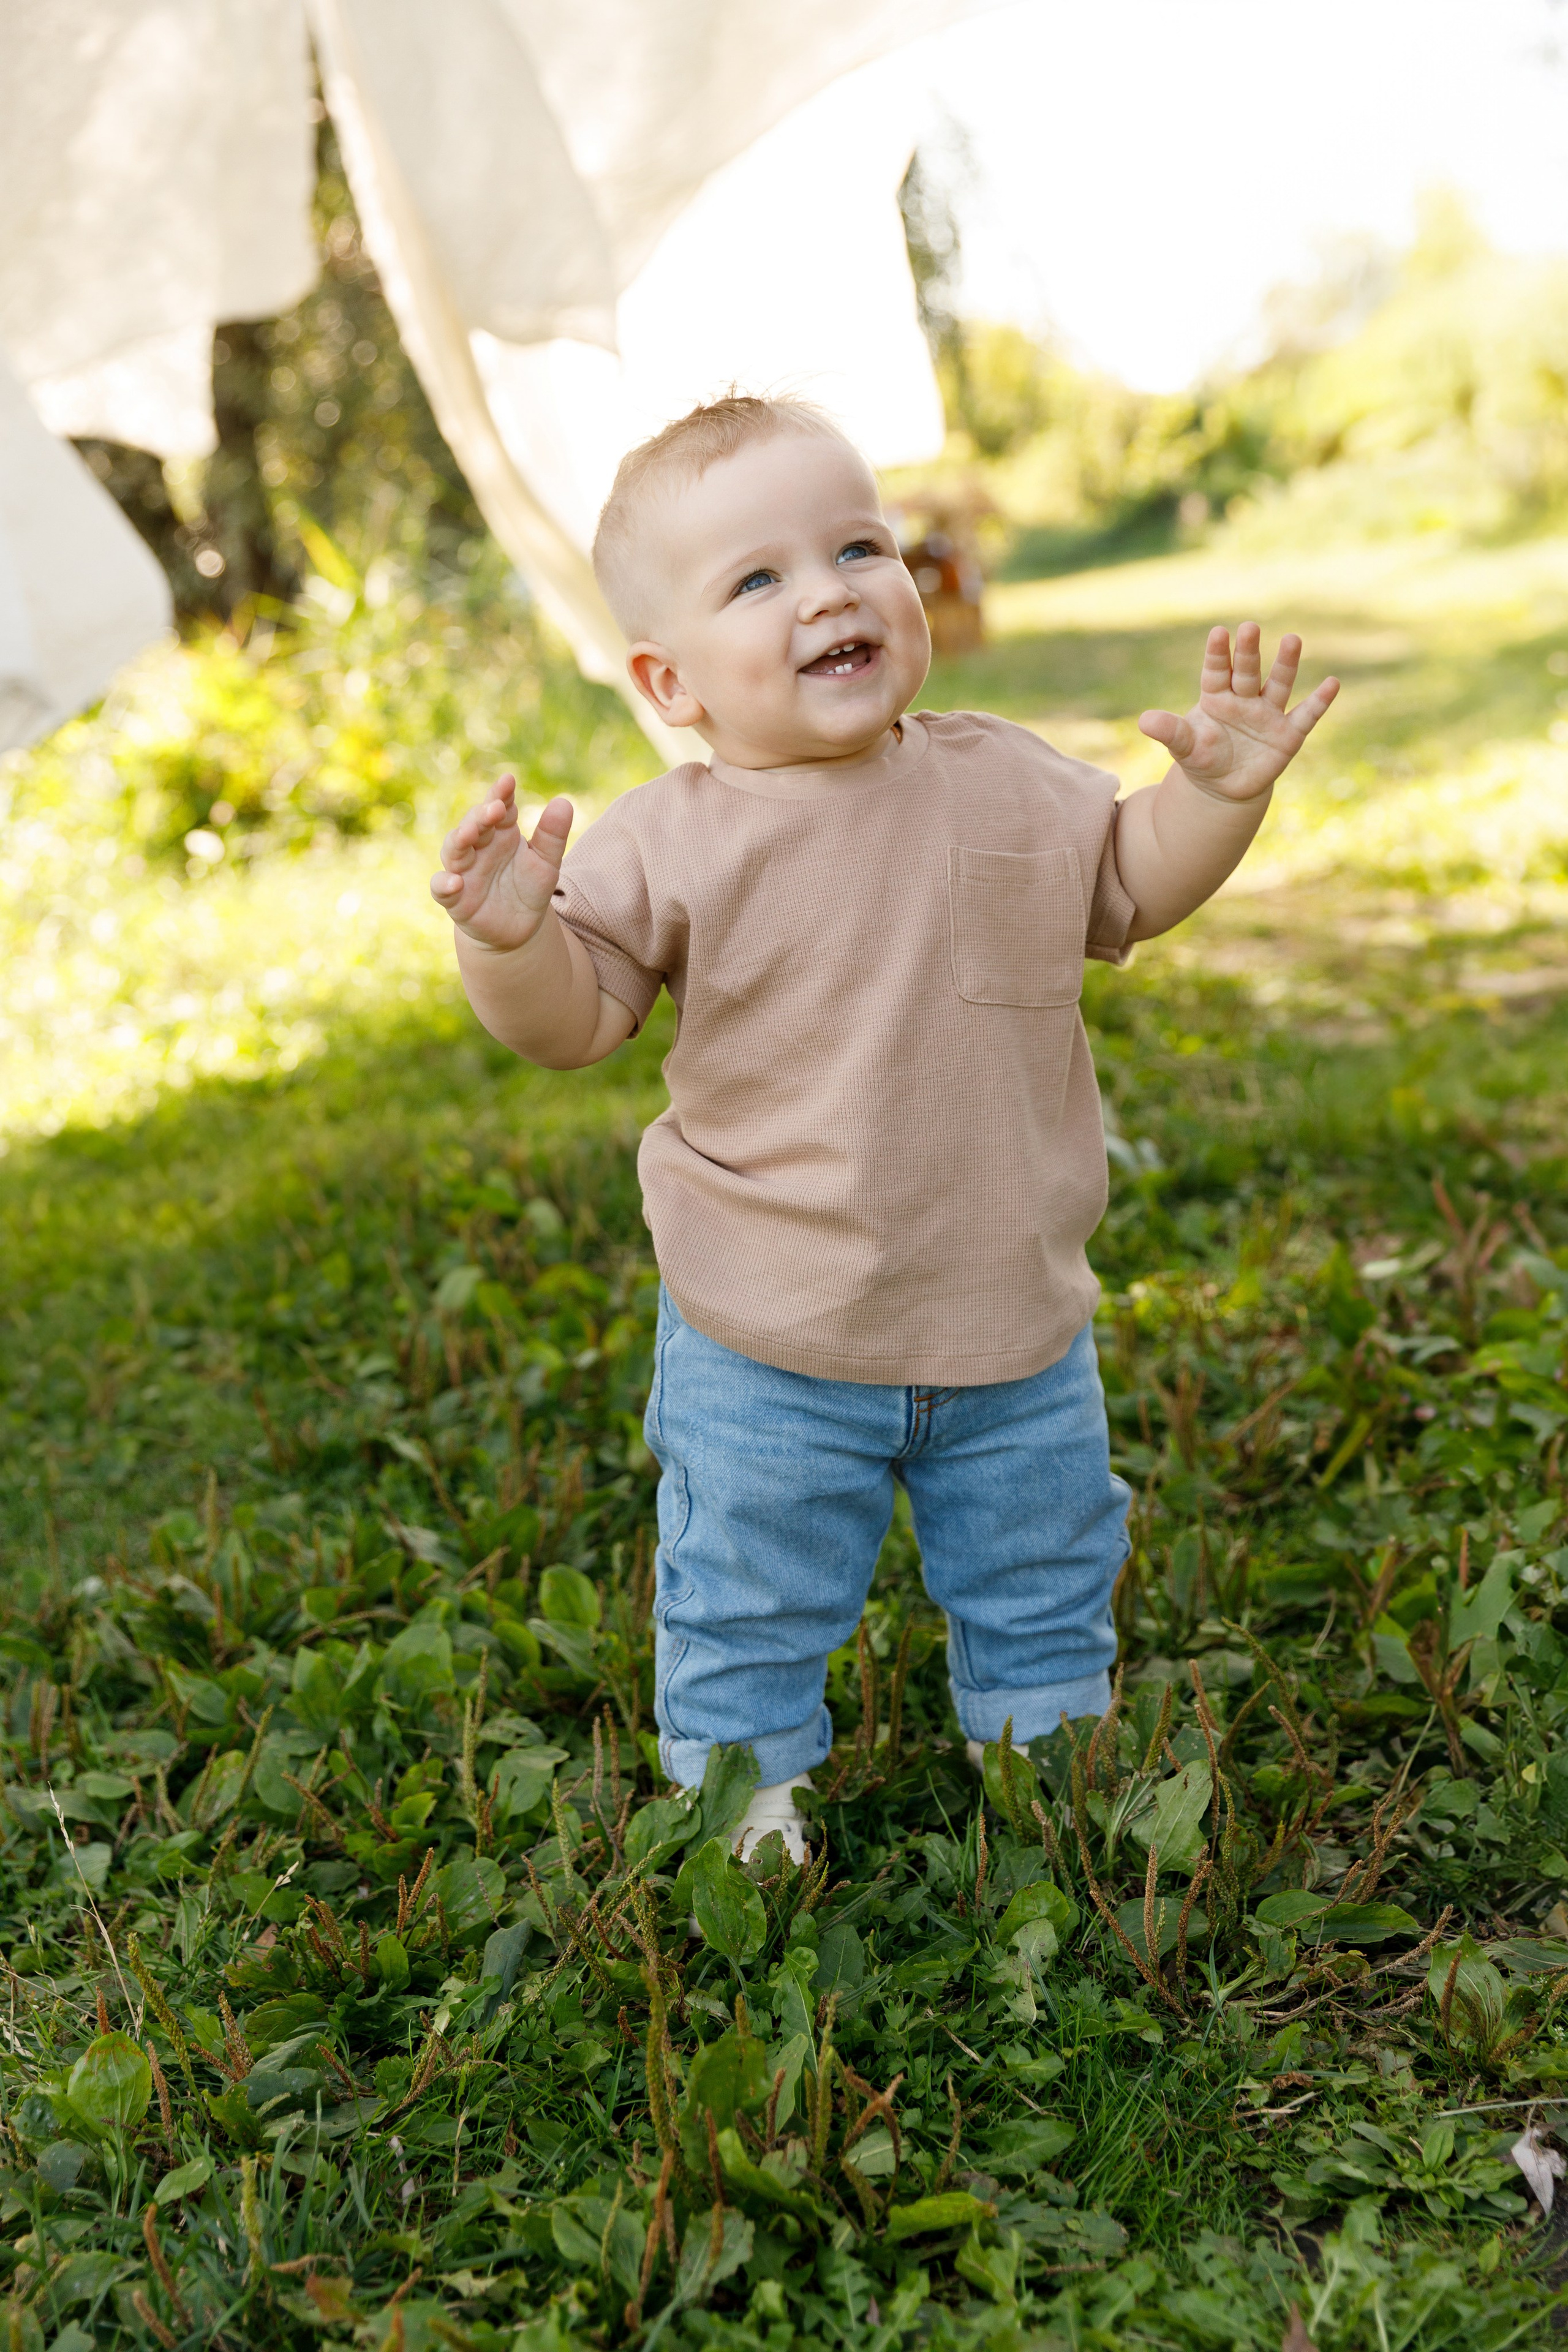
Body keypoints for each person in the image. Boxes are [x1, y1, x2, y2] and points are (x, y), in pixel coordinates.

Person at [430, 395, 1338, 1864]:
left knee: (1044, 1565)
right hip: (766, 1340)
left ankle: (1044, 1760)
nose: (831, 590)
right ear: (670, 681)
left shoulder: (1002, 777)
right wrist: (506, 944)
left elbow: (1125, 884)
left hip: (1012, 1322)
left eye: (857, 546)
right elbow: (574, 1022)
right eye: (759, 579)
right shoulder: (673, 836)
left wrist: (1213, 797)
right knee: (747, 1590)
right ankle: (746, 1811)